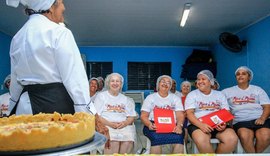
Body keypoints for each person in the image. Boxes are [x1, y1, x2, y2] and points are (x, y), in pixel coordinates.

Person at [6, 0, 109, 147]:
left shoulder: (17, 37)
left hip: (25, 108)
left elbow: (15, 82)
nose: (64, 7)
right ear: (50, 7)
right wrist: (90, 117)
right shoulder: (60, 32)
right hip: (57, 108)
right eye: (61, 3)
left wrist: (12, 109)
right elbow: (75, 80)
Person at [185, 70, 238, 153]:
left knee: (232, 139)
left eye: (203, 79)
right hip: (197, 125)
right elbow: (189, 114)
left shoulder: (219, 95)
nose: (200, 81)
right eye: (198, 79)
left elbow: (226, 112)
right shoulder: (192, 95)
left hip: (218, 124)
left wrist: (224, 124)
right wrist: (201, 125)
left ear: (211, 82)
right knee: (202, 140)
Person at [222, 66, 270, 153]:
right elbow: (219, 106)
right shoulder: (226, 92)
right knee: (245, 136)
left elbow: (267, 106)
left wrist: (262, 118)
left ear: (249, 77)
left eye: (243, 74)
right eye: (238, 74)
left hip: (260, 119)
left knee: (265, 136)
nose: (240, 76)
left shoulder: (258, 90)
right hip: (240, 121)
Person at [94, 73, 137, 154]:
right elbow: (96, 115)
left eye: (118, 81)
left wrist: (124, 123)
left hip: (123, 126)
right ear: (108, 83)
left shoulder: (126, 99)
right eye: (112, 81)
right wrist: (110, 124)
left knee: (128, 141)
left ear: (121, 84)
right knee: (113, 142)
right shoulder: (101, 96)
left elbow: (131, 117)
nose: (115, 83)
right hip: (106, 125)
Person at [141, 75, 185, 154]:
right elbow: (144, 116)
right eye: (163, 81)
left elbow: (180, 115)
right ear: (158, 84)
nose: (165, 84)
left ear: (170, 86)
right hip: (154, 125)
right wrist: (149, 124)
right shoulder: (150, 98)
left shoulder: (175, 98)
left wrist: (179, 126)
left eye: (168, 82)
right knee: (157, 139)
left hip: (173, 125)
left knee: (179, 138)